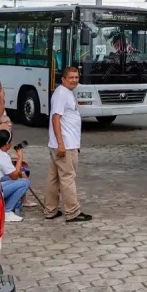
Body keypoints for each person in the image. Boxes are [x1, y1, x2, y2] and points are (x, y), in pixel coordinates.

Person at [44, 67, 92, 222]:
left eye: (76, 77)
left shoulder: (65, 93)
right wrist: (61, 144)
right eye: (70, 77)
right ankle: (72, 212)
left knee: (54, 178)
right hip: (65, 144)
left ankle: (50, 209)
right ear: (63, 79)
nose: (74, 80)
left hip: (61, 143)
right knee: (67, 177)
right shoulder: (61, 94)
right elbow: (56, 118)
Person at [0, 130, 29, 222]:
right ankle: (7, 211)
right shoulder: (3, 156)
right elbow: (14, 176)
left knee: (17, 177)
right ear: (7, 144)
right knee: (24, 182)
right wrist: (20, 158)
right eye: (10, 141)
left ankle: (13, 206)